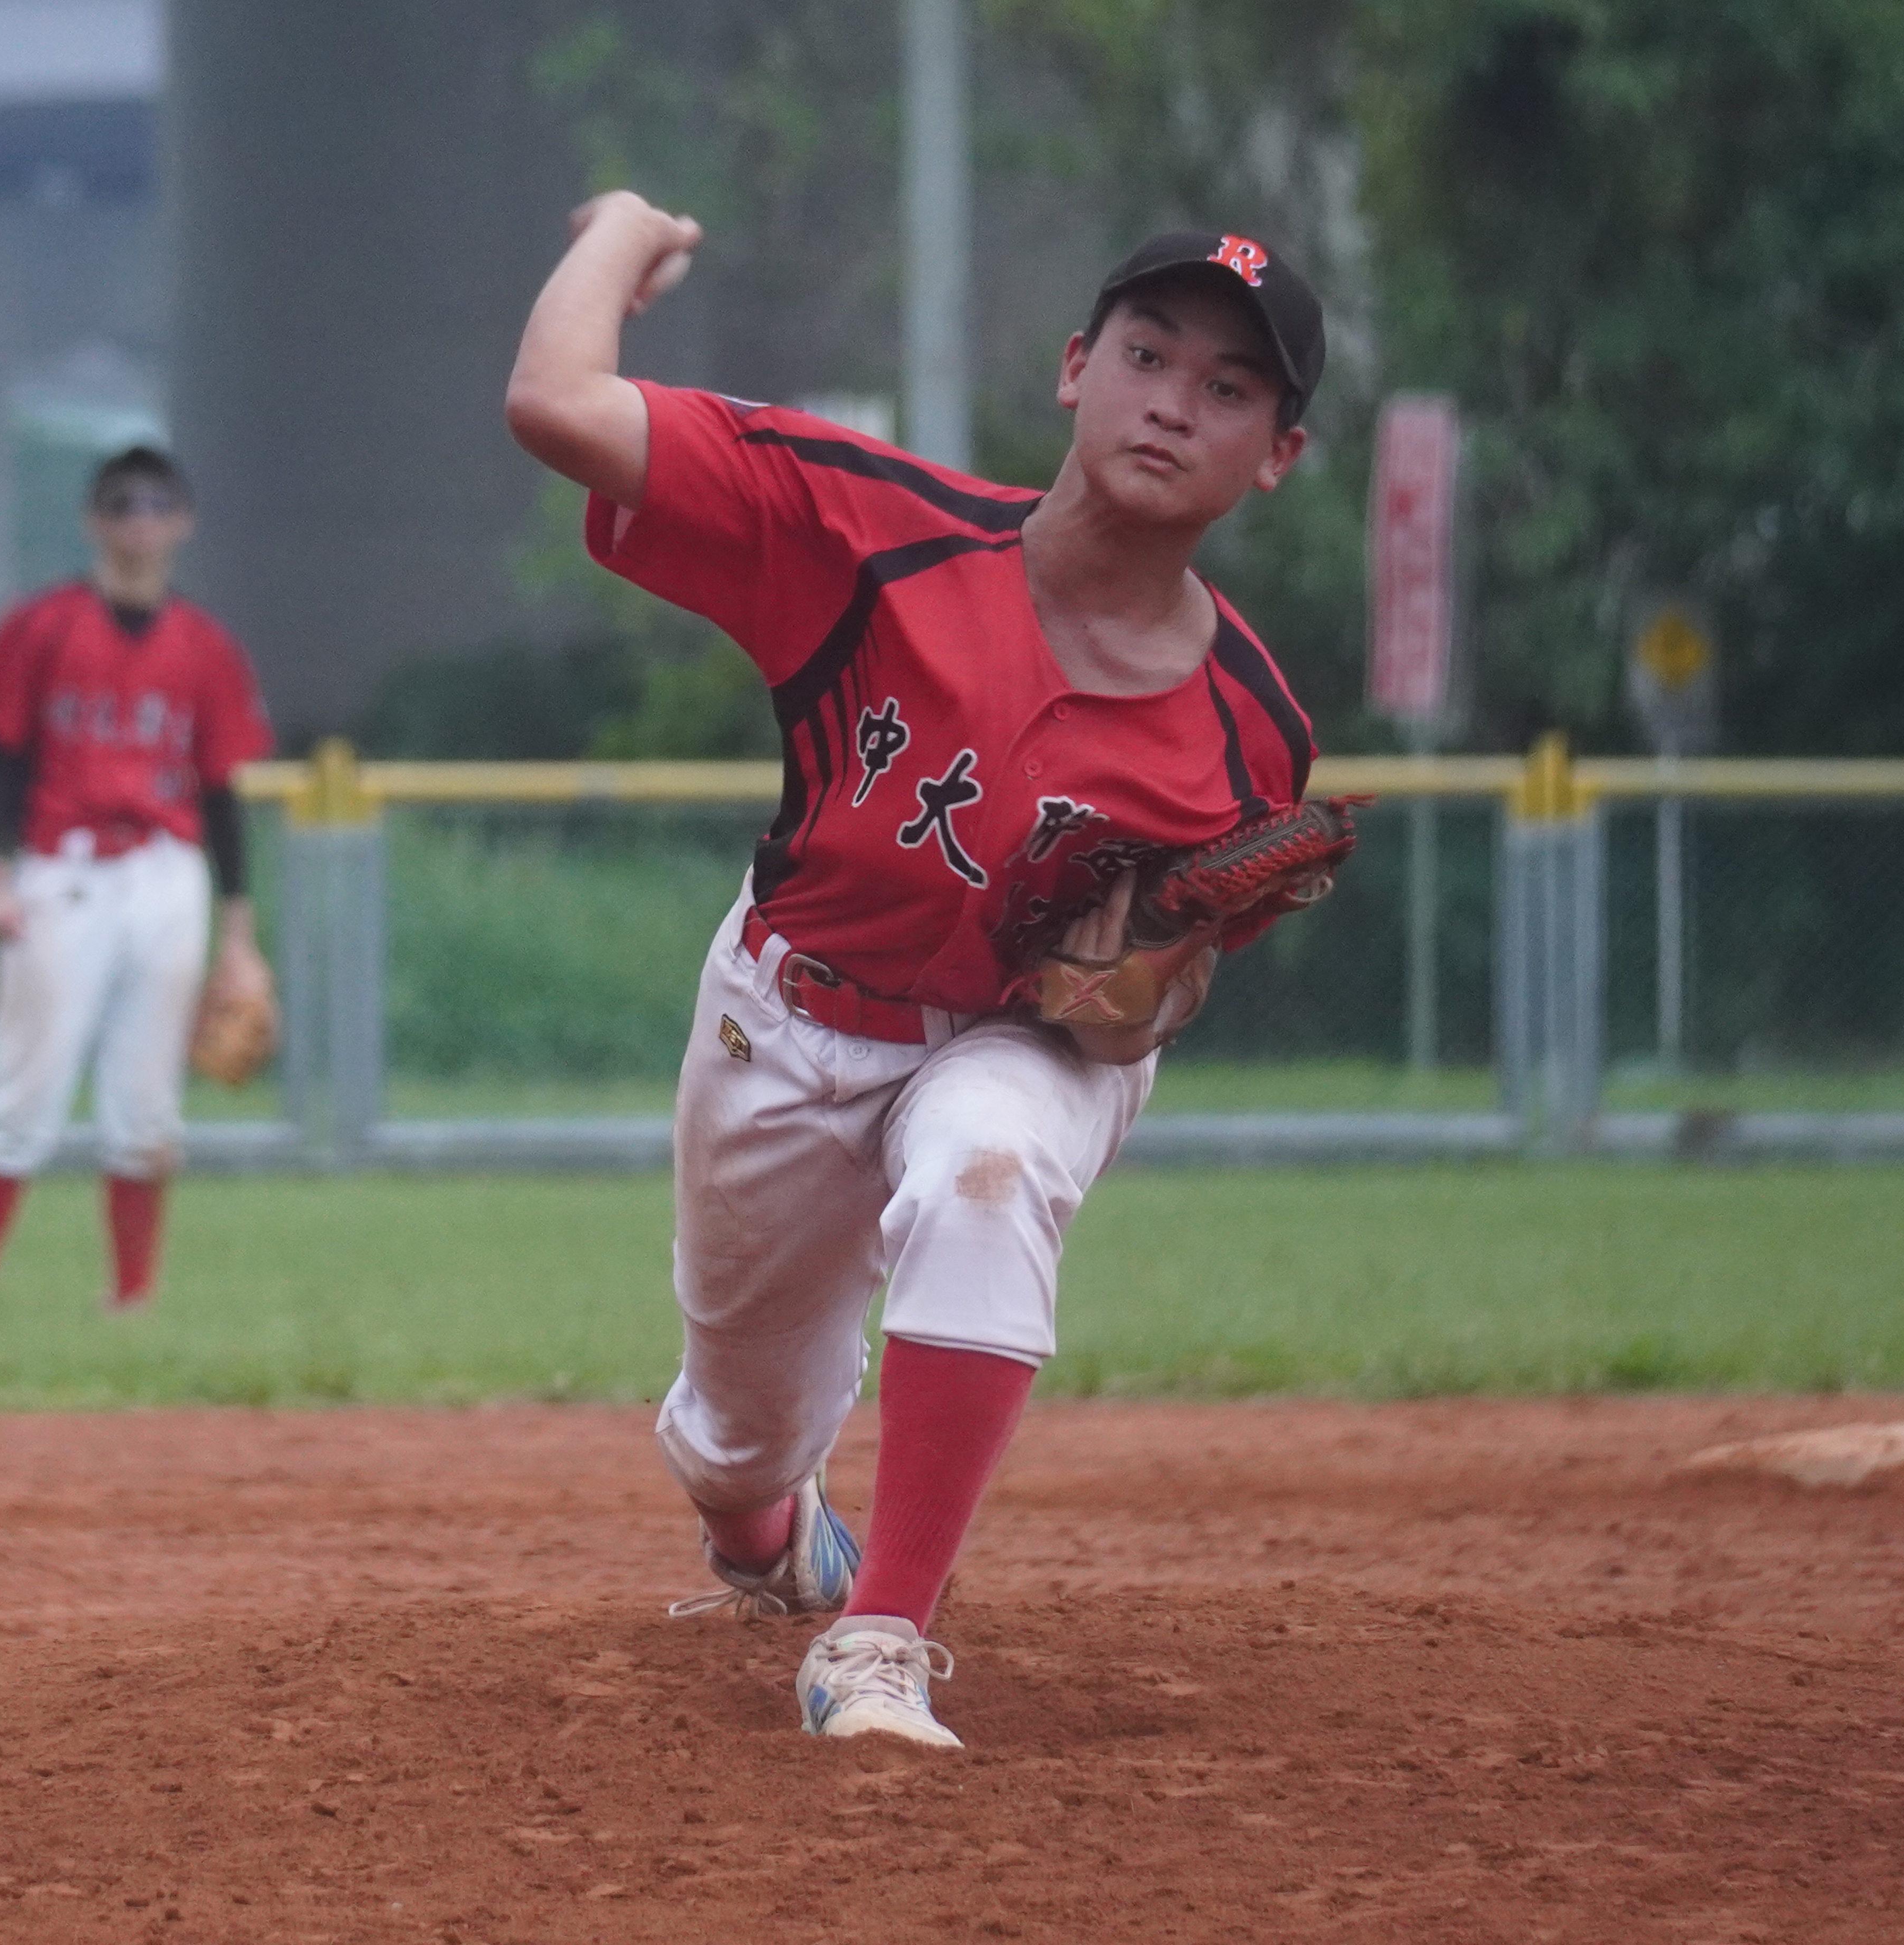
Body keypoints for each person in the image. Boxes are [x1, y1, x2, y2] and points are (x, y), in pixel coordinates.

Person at [504, 196, 1323, 1749]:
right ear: (1078, 369)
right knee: (738, 1445)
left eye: (1231, 389)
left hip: (1017, 1047)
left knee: (989, 1168)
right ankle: (769, 1532)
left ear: (1277, 454)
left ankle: (880, 1637)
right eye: (1149, 355)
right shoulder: (869, 528)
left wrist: (1146, 988)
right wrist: (621, 236)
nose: (1175, 402)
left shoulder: (1254, 736)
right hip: (787, 1019)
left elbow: (1184, 967)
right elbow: (558, 407)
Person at [0, 444, 277, 1319]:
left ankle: (131, 1302)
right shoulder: (41, 625)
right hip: (66, 871)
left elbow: (221, 795)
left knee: (147, 1103)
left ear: (183, 522)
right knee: (24, 1090)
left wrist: (239, 939)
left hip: (168, 878)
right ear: (95, 521)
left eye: (158, 504)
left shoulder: (204, 647)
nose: (141, 520)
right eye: (123, 504)